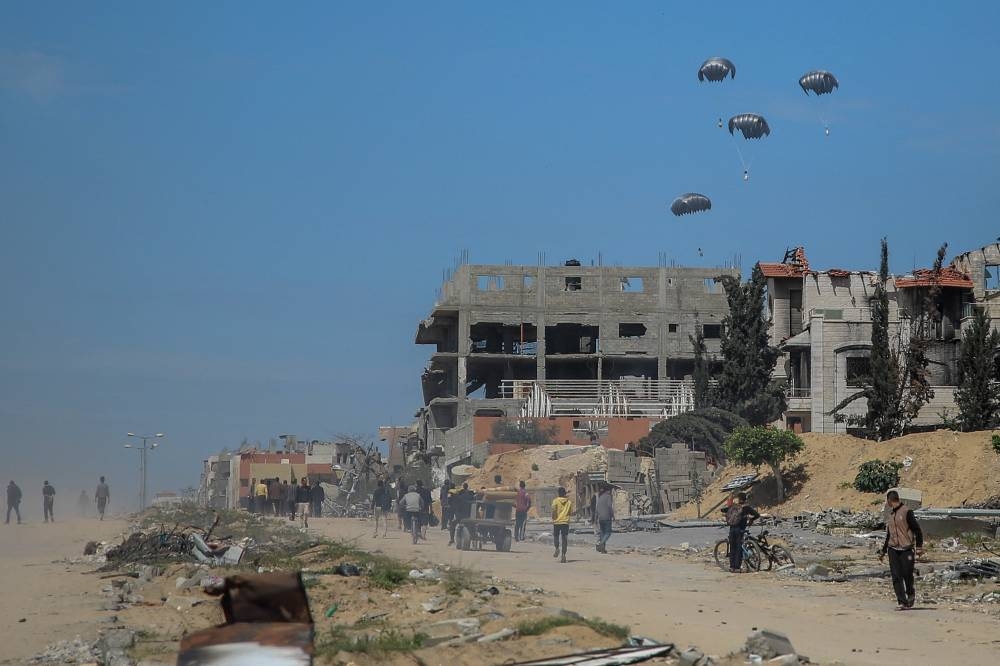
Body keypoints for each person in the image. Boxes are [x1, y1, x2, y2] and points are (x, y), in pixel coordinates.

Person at [879, 490, 924, 610]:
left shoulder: (907, 512)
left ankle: (910, 593)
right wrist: (883, 551)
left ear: (889, 500)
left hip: (906, 549)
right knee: (896, 576)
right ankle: (902, 602)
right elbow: (889, 534)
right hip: (893, 548)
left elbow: (917, 530)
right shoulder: (890, 514)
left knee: (907, 574)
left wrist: (919, 547)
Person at [724, 492, 760, 573]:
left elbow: (724, 510)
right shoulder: (747, 508)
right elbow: (757, 515)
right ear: (745, 499)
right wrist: (751, 519)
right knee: (738, 548)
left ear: (738, 499)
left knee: (732, 548)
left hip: (732, 529)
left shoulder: (733, 506)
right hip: (740, 530)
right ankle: (737, 567)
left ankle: (731, 567)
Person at [551, 487, 572, 563]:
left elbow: (553, 510)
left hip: (557, 522)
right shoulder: (569, 502)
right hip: (565, 522)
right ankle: (563, 554)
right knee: (564, 539)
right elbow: (570, 512)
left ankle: (557, 548)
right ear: (564, 493)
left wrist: (553, 517)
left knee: (556, 536)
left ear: (558, 493)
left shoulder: (555, 501)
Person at [595, 483, 614, 553]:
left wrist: (595, 518)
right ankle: (600, 544)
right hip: (607, 517)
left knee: (602, 533)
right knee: (608, 532)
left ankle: (603, 549)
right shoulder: (608, 496)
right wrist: (613, 515)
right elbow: (609, 506)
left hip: (600, 518)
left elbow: (596, 508)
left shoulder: (600, 497)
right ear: (608, 490)